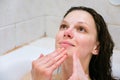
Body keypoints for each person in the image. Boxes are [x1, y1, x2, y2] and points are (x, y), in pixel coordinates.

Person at [31, 6, 117, 80]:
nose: (67, 32)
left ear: (96, 48)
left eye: (81, 29)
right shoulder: (36, 76)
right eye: (64, 26)